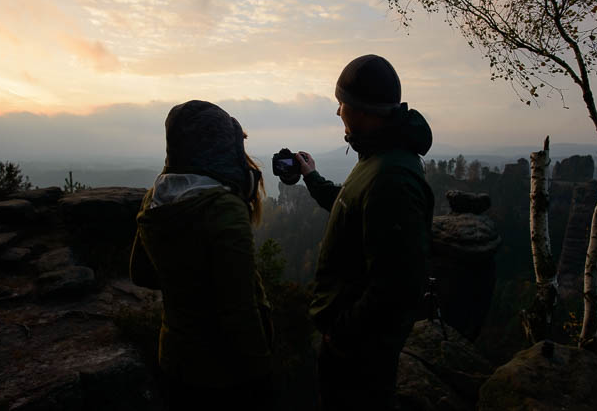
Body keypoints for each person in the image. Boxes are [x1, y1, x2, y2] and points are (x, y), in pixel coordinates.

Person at [295, 54, 434, 410]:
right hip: (351, 345)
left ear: (360, 109)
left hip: (358, 356)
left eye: (341, 104)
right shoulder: (376, 159)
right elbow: (349, 205)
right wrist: (311, 177)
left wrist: (341, 335)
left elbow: (397, 287)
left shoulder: (392, 177)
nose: (338, 112)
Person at [129, 100, 273, 410]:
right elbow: (241, 311)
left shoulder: (156, 198)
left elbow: (140, 273)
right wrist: (262, 379)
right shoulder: (224, 209)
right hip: (224, 373)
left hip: (175, 359)